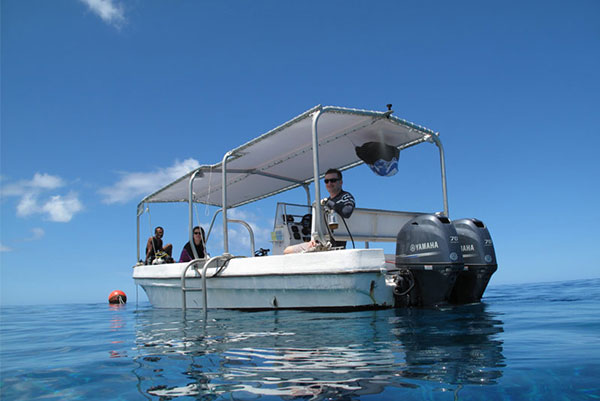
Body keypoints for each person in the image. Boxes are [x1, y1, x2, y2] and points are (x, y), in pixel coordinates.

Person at [284, 168, 355, 254]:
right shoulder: (327, 201)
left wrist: (327, 202)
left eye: (333, 180)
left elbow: (346, 212)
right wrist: (313, 239)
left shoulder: (345, 197)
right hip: (319, 242)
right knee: (287, 250)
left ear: (341, 182)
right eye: (326, 181)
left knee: (288, 251)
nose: (329, 183)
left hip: (331, 245)